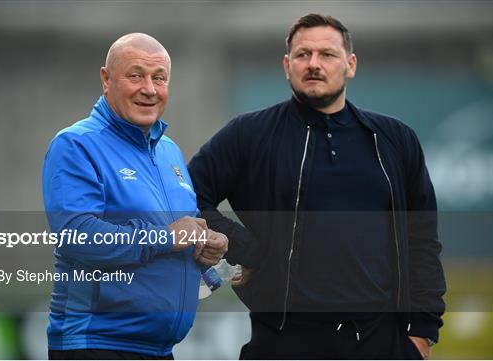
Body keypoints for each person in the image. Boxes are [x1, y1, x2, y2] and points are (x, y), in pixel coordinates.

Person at [188, 14, 445, 360]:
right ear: (286, 65)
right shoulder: (248, 134)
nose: (313, 64)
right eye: (302, 54)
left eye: (327, 54)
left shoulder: (395, 139)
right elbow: (186, 197)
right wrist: (247, 249)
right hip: (284, 340)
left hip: (381, 341)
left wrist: (422, 332)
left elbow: (422, 238)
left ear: (350, 64)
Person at [42, 33, 228, 360]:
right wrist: (166, 237)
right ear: (106, 79)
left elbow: (178, 236)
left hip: (159, 349)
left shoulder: (169, 151)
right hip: (97, 345)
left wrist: (207, 251)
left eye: (159, 78)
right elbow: (76, 235)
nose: (149, 89)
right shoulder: (76, 145)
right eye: (135, 76)